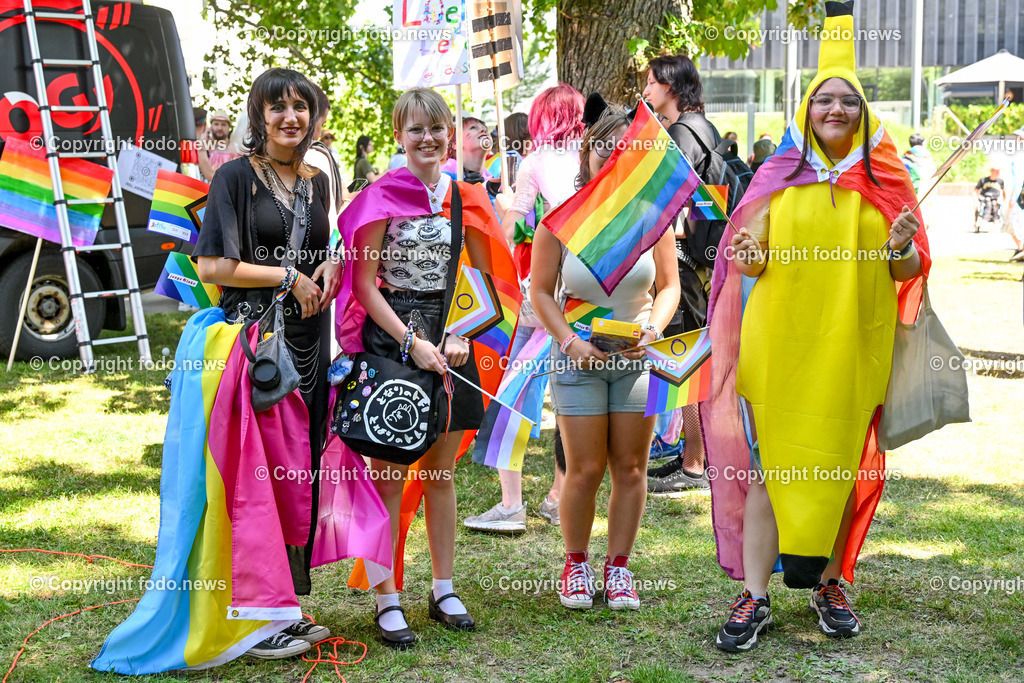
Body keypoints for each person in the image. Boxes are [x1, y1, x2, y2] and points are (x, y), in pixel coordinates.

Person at [92, 68, 350, 673]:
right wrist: (288, 278)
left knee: (295, 478)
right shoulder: (236, 176)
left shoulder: (316, 181)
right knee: (248, 485)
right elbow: (212, 266)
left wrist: (334, 259)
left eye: (301, 107)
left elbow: (323, 244)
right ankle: (245, 617)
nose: (291, 117)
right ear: (258, 117)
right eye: (278, 107)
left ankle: (282, 608)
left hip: (309, 348)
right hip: (254, 351)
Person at [702, 0, 931, 652]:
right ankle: (754, 594)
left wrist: (901, 246)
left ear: (865, 112)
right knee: (773, 473)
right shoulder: (779, 176)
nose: (836, 110)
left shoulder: (888, 179)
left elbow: (907, 269)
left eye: (848, 102)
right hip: (780, 354)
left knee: (838, 468)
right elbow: (750, 254)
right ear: (806, 108)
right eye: (825, 100)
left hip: (853, 353)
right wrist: (747, 252)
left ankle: (832, 581)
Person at [336, 87, 515, 648]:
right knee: (390, 478)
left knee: (441, 475)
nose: (428, 139)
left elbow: (487, 281)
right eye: (416, 129)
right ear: (399, 136)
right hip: (392, 343)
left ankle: (442, 588)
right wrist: (411, 340)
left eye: (437, 128)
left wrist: (462, 331)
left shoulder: (467, 198)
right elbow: (364, 285)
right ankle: (388, 598)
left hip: (453, 342)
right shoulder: (378, 196)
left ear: (450, 133)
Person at [531, 105, 681, 611]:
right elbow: (541, 293)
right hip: (576, 359)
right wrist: (571, 344)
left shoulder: (652, 219)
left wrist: (653, 328)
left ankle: (619, 569)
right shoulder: (561, 218)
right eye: (604, 146)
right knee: (585, 467)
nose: (614, 155)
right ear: (587, 152)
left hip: (637, 358)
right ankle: (576, 564)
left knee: (632, 467)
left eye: (627, 149)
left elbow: (669, 288)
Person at [463, 84, 584, 534]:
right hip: (592, 294)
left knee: (510, 390)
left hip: (544, 293)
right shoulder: (598, 159)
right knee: (573, 399)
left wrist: (501, 210)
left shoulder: (534, 161)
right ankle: (558, 495)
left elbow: (514, 225)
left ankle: (512, 503)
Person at [641, 53, 716, 495]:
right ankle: (692, 453)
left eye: (650, 83)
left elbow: (668, 195)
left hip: (686, 261)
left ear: (669, 86)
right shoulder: (699, 126)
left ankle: (695, 463)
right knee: (686, 351)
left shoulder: (682, 132)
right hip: (697, 259)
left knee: (684, 355)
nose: (646, 91)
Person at [442, 114, 494, 186]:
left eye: (486, 129)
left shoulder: (490, 178)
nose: (484, 130)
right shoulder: (446, 173)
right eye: (473, 127)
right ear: (455, 143)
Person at [197, 110, 241, 181]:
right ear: (211, 127)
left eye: (223, 124)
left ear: (228, 127)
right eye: (216, 124)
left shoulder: (236, 149)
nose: (219, 128)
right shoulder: (203, 147)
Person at [1004, 127, 1024, 260]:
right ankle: (1020, 249)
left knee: (1014, 222)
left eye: (1021, 138)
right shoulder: (1018, 155)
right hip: (1016, 196)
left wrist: (1013, 196)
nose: (1018, 140)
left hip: (1018, 197)